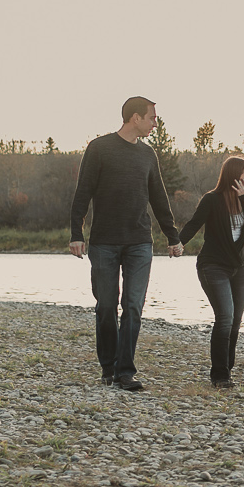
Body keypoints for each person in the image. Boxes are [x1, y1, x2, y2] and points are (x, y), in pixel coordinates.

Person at [69, 96, 182, 391]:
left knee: (132, 306)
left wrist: (173, 237)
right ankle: (108, 366)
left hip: (139, 242)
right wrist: (76, 233)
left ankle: (125, 371)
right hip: (104, 242)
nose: (155, 122)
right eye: (152, 117)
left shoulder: (148, 155)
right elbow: (83, 192)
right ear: (135, 118)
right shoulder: (99, 149)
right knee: (106, 306)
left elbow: (159, 197)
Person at [178, 155, 244, 388]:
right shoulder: (212, 199)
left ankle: (227, 368)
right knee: (225, 317)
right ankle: (220, 375)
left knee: (235, 321)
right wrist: (178, 243)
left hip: (239, 268)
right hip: (212, 266)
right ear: (235, 177)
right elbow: (194, 223)